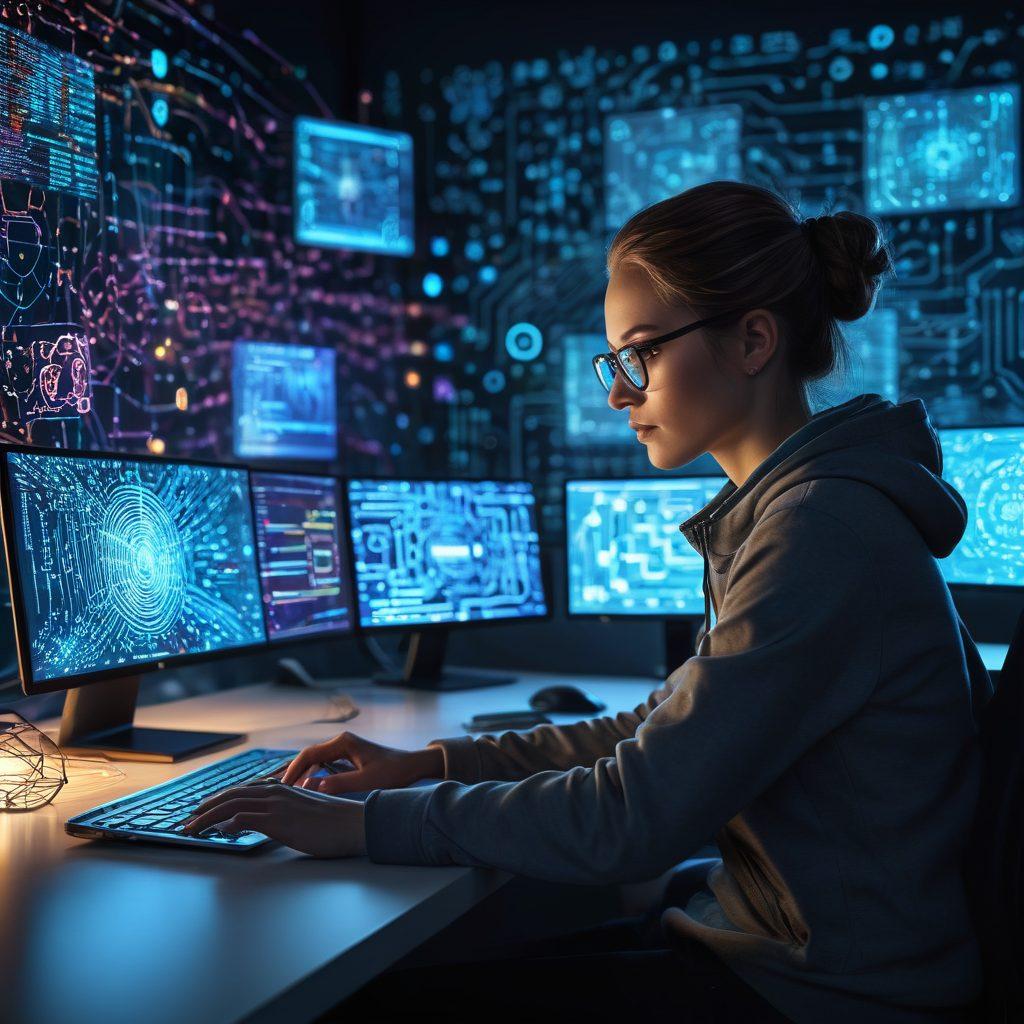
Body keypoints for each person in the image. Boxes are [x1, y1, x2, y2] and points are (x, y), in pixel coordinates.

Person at [185, 181, 991, 1023]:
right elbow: (660, 731)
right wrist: (432, 766)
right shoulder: (798, 511)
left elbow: (635, 815)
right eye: (616, 360)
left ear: (753, 339)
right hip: (777, 953)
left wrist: (365, 825)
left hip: (822, 997)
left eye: (640, 354)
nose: (617, 393)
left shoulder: (819, 531)